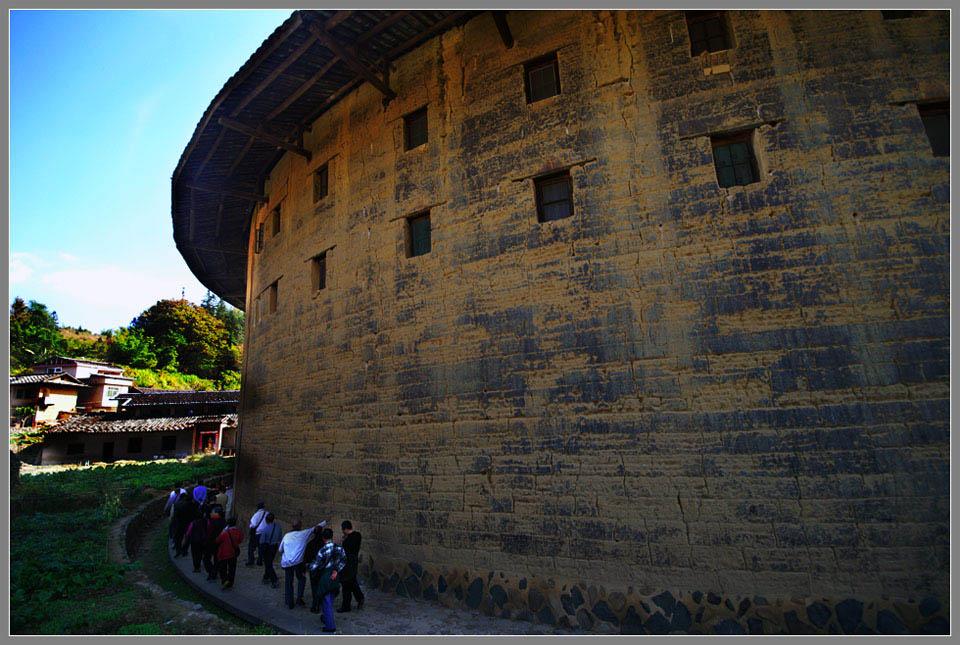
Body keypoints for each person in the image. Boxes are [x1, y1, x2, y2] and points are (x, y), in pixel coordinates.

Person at [278, 519, 327, 609]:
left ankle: (289, 601)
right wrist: (325, 521)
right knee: (301, 579)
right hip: (298, 562)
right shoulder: (304, 534)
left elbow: (280, 549)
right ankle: (299, 598)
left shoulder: (287, 536)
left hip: (287, 562)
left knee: (289, 581)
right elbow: (316, 528)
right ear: (300, 526)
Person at [308, 527, 346, 632]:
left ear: (323, 538)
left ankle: (330, 625)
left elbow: (315, 565)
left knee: (326, 599)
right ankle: (326, 617)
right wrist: (337, 570)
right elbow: (343, 560)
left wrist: (308, 567)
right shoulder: (339, 548)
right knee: (331, 596)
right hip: (335, 575)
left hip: (326, 576)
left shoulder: (323, 550)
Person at [338, 520, 365, 612]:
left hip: (347, 563)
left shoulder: (347, 541)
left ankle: (346, 606)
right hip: (354, 562)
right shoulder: (358, 535)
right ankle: (360, 598)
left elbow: (343, 550)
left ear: (345, 529)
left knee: (346, 584)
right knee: (352, 582)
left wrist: (342, 541)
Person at [215, 517, 244, 589]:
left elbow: (217, 541)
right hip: (233, 553)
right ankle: (230, 582)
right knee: (232, 569)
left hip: (224, 553)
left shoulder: (224, 533)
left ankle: (224, 580)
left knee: (223, 568)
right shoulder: (238, 532)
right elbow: (240, 540)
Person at [257, 512, 282, 588]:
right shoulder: (278, 526)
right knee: (269, 562)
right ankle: (265, 577)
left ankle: (275, 580)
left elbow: (261, 541)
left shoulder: (266, 529)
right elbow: (280, 537)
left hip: (267, 547)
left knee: (268, 564)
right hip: (274, 547)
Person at [203, 507, 226, 581]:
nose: (211, 514)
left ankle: (211, 571)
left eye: (212, 512)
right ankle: (214, 572)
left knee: (206, 558)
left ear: (216, 513)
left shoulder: (213, 522)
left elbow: (209, 533)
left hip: (211, 543)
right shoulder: (223, 521)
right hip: (220, 543)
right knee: (216, 559)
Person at [172, 492, 195, 557]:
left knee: (178, 538)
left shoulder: (176, 504)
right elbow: (193, 514)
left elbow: (174, 515)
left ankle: (178, 550)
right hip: (188, 523)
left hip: (179, 523)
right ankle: (184, 550)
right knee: (187, 537)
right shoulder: (190, 505)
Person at [246, 502, 268, 566]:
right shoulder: (267, 513)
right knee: (261, 548)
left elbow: (253, 524)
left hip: (257, 533)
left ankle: (251, 560)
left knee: (251, 548)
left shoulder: (256, 515)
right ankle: (260, 561)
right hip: (264, 533)